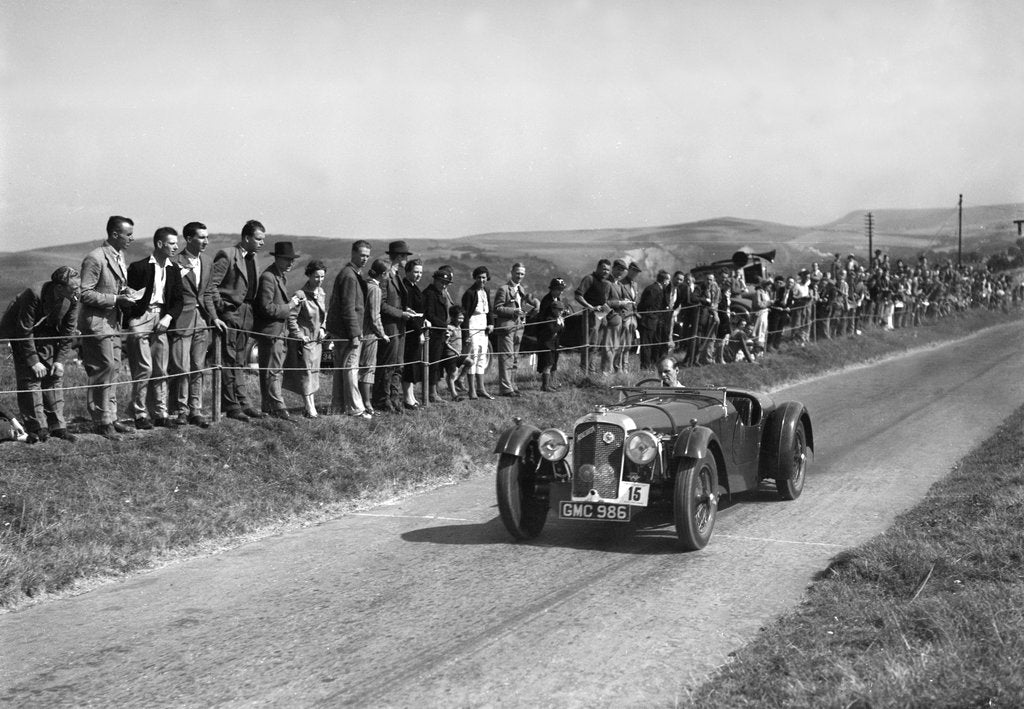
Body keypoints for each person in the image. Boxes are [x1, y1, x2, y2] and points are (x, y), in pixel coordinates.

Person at [0, 266, 81, 442]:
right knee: (31, 378)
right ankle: (37, 426)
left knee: (54, 375)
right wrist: (33, 361)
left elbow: (68, 331)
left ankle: (57, 426)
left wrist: (60, 360)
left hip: (47, 331)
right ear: (59, 287)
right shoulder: (34, 294)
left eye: (78, 287)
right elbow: (24, 329)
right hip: (21, 333)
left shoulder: (73, 297)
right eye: (74, 288)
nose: (78, 291)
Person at [79, 215, 139, 440]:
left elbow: (114, 286)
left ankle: (111, 417)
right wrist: (116, 299)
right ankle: (101, 421)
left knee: (113, 367)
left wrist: (125, 294)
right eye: (128, 234)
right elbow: (84, 293)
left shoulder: (119, 255)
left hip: (113, 322)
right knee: (103, 368)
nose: (132, 238)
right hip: (97, 323)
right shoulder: (95, 258)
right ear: (115, 234)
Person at [125, 226, 184, 430]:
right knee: (144, 368)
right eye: (172, 243)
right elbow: (129, 298)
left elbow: (178, 300)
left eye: (176, 243)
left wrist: (167, 317)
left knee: (161, 368)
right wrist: (135, 320)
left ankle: (160, 413)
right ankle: (139, 413)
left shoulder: (174, 269)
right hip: (141, 317)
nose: (176, 247)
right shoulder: (138, 268)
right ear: (160, 244)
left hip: (162, 319)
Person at [211, 220, 267, 422]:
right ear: (247, 238)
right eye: (258, 239)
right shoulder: (227, 255)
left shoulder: (254, 258)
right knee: (228, 357)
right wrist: (223, 308)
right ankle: (231, 405)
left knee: (240, 359)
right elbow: (212, 286)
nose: (262, 243)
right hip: (231, 312)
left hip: (247, 313)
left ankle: (243, 402)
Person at [168, 221, 222, 428]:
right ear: (189, 239)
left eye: (207, 237)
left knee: (198, 366)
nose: (206, 242)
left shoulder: (207, 261)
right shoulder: (174, 261)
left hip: (202, 320)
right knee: (182, 366)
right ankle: (181, 409)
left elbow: (207, 293)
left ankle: (196, 410)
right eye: (201, 237)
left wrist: (214, 317)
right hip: (182, 319)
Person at [253, 242, 303, 420]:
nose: (290, 263)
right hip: (271, 332)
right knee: (272, 370)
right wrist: (290, 306)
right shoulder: (268, 277)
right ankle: (278, 406)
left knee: (275, 369)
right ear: (277, 258)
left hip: (279, 331)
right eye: (287, 259)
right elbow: (266, 307)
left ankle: (269, 406)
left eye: (292, 260)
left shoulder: (279, 276)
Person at [326, 240, 371, 419]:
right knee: (351, 369)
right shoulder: (350, 276)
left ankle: (337, 406)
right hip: (348, 332)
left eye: (367, 256)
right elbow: (348, 308)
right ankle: (355, 408)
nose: (365, 259)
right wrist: (354, 334)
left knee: (342, 369)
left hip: (342, 331)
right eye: (361, 255)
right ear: (352, 253)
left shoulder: (351, 274)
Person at [373, 241, 417, 414]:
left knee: (398, 364)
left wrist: (405, 310)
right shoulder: (386, 276)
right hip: (390, 325)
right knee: (388, 364)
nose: (406, 259)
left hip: (399, 325)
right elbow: (382, 305)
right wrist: (401, 314)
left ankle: (394, 397)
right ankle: (381, 399)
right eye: (405, 256)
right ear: (400, 257)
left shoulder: (396, 274)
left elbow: (394, 302)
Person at [284, 259, 327, 418]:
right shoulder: (300, 295)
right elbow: (291, 318)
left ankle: (310, 406)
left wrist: (323, 328)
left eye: (322, 277)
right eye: (316, 277)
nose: (319, 280)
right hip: (305, 342)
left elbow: (324, 315)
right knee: (305, 374)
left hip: (317, 341)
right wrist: (299, 335)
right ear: (309, 275)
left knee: (313, 373)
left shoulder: (321, 293)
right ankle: (309, 408)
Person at [492, 262, 538, 396]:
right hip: (507, 328)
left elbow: (523, 307)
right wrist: (514, 311)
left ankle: (513, 384)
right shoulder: (504, 289)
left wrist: (531, 310)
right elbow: (497, 308)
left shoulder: (522, 290)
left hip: (519, 327)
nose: (519, 276)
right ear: (511, 273)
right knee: (506, 358)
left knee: (515, 358)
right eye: (517, 273)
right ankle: (505, 388)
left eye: (522, 274)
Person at [460, 265, 494, 400]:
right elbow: (466, 314)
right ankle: (472, 390)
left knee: (482, 355)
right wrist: (466, 333)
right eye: (479, 277)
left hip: (483, 324)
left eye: (484, 277)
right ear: (475, 278)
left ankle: (481, 388)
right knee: (473, 356)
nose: (481, 280)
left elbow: (489, 309)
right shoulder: (469, 293)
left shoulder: (486, 290)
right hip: (473, 324)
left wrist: (491, 323)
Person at [359, 259, 389, 414]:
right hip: (369, 333)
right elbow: (374, 316)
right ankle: (366, 404)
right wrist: (382, 334)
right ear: (383, 274)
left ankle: (362, 402)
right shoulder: (375, 289)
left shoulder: (365, 284)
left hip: (360, 331)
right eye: (387, 273)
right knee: (368, 369)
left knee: (361, 368)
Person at [422, 266, 455, 403]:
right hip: (433, 333)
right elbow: (429, 314)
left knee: (437, 364)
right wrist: (444, 325)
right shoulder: (429, 294)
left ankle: (433, 391)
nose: (444, 285)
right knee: (433, 363)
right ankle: (431, 392)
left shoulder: (440, 293)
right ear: (435, 280)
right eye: (441, 282)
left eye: (446, 283)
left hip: (440, 333)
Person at [574, 259, 613, 374]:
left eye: (608, 270)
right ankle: (584, 371)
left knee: (596, 345)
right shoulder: (589, 279)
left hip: (602, 316)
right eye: (604, 268)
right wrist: (590, 307)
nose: (606, 271)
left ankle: (591, 370)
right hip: (590, 316)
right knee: (589, 343)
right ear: (598, 268)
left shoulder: (606, 283)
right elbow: (578, 295)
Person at [401, 259, 426, 409]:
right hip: (411, 331)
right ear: (408, 271)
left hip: (417, 329)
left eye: (420, 272)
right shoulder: (405, 288)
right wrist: (419, 332)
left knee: (414, 364)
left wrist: (425, 321)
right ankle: (407, 397)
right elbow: (410, 313)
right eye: (416, 272)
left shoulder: (415, 288)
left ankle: (411, 395)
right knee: (409, 364)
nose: (418, 275)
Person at [535, 278, 568, 392]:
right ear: (553, 289)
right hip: (547, 335)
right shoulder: (546, 301)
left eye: (562, 289)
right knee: (547, 362)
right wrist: (557, 322)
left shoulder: (557, 298)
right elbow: (544, 319)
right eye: (559, 289)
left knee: (554, 361)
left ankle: (551, 382)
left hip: (555, 336)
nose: (561, 292)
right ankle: (545, 385)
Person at [637, 270, 669, 370]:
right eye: (668, 280)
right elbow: (645, 305)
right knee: (647, 345)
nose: (668, 283)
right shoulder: (654, 289)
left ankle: (650, 365)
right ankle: (645, 367)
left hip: (654, 321)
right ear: (664, 281)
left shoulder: (658, 289)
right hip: (648, 321)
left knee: (652, 344)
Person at [615, 262, 641, 372]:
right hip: (624, 316)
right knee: (621, 344)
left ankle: (625, 367)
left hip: (633, 317)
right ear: (629, 270)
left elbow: (636, 300)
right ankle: (617, 367)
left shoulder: (635, 285)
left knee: (628, 344)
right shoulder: (621, 284)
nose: (635, 274)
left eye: (637, 272)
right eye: (634, 271)